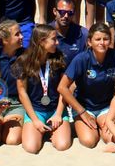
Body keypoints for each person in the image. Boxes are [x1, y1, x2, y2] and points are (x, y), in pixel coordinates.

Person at [58, 22, 115, 148]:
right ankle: (90, 126)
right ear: (89, 42)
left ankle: (100, 125)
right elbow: (62, 87)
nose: (102, 43)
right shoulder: (81, 59)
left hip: (106, 106)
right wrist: (82, 112)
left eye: (106, 39)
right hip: (84, 106)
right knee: (89, 141)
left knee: (110, 138)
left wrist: (114, 109)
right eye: (97, 39)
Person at [15, 24, 72, 153]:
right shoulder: (23, 61)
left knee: (62, 145)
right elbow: (22, 92)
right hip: (36, 111)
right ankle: (39, 129)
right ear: (41, 42)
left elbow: (64, 88)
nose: (57, 42)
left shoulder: (59, 58)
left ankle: (53, 131)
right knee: (31, 148)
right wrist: (35, 120)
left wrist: (58, 114)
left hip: (55, 109)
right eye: (53, 39)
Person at [0, 19, 26, 146]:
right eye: (17, 34)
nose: (22, 36)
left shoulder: (26, 56)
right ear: (5, 40)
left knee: (12, 140)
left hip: (17, 104)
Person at [53, 0, 88, 64]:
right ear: (54, 11)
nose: (66, 16)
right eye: (62, 12)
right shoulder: (45, 33)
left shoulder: (83, 34)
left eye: (70, 13)